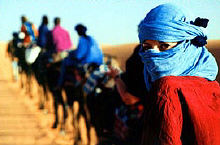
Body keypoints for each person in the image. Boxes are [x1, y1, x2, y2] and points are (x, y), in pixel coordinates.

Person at [137, 3, 220, 145]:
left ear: (187, 44)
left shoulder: (166, 87)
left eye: (164, 46)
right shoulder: (212, 84)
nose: (153, 55)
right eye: (147, 47)